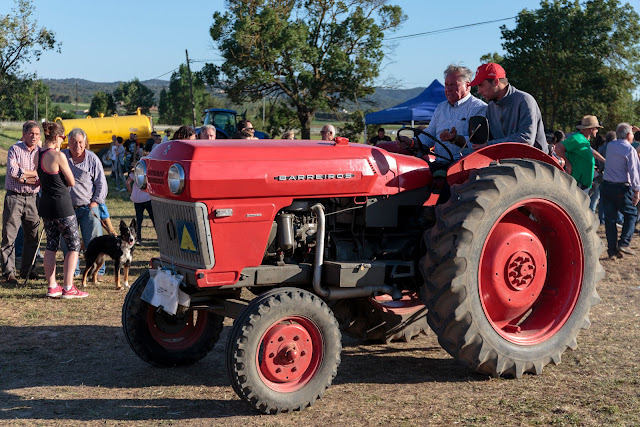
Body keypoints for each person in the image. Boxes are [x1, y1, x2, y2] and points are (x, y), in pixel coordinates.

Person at [397, 64, 487, 165]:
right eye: (446, 84)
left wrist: (455, 138)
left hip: (465, 167)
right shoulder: (441, 108)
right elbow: (429, 135)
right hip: (440, 163)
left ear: (467, 85)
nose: (448, 89)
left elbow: (479, 143)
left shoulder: (479, 108)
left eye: (453, 85)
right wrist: (411, 142)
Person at [37, 122, 87, 298]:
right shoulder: (58, 155)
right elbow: (71, 181)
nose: (64, 142)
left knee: (51, 244)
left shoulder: (39, 154)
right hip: (62, 205)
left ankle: (52, 286)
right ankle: (68, 287)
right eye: (64, 138)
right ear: (58, 137)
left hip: (45, 204)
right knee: (74, 245)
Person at [469, 62, 548, 153]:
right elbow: (487, 140)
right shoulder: (490, 108)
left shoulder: (524, 100)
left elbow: (526, 140)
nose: (478, 91)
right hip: (505, 161)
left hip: (533, 162)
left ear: (495, 82)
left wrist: (489, 145)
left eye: (481, 85)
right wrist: (456, 139)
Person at [62, 128, 108, 278]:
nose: (77, 145)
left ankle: (97, 271)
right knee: (69, 243)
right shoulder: (61, 157)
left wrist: (96, 202)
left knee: (95, 243)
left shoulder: (92, 158)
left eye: (80, 142)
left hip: (88, 208)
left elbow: (101, 183)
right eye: (74, 142)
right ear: (68, 143)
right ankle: (73, 272)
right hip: (66, 208)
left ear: (85, 142)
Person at [1, 121, 42, 284]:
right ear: (24, 134)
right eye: (31, 133)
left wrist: (26, 175)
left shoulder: (41, 152)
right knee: (9, 236)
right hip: (15, 197)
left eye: (37, 134)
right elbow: (13, 172)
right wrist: (34, 177)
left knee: (32, 236)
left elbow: (42, 175)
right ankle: (9, 272)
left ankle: (28, 269)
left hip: (33, 199)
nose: (34, 136)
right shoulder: (15, 149)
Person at [600, 123, 640, 260]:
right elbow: (634, 172)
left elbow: (619, 133)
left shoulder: (611, 145)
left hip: (607, 186)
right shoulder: (630, 150)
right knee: (631, 214)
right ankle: (624, 242)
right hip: (622, 187)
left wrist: (628, 129)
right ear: (629, 135)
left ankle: (612, 251)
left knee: (610, 220)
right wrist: (637, 191)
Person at [554, 115, 602, 192]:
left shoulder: (584, 140)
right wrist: (567, 163)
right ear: (591, 129)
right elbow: (558, 148)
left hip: (582, 184)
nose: (597, 130)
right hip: (576, 184)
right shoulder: (577, 138)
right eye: (596, 128)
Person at [126, 172, 155, 245]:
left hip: (138, 199)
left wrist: (132, 193)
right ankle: (160, 237)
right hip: (148, 197)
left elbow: (127, 183)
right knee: (153, 218)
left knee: (139, 220)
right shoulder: (147, 171)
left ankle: (138, 238)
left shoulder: (134, 173)